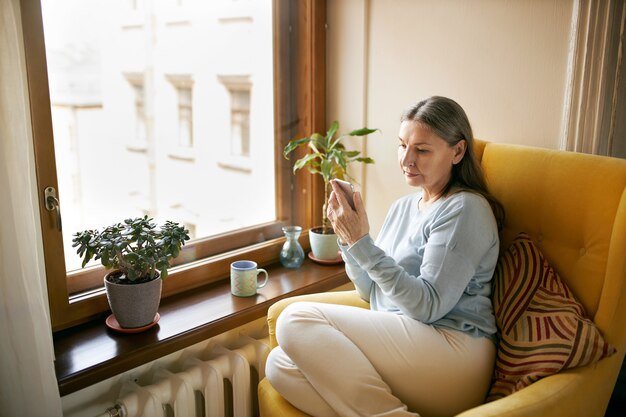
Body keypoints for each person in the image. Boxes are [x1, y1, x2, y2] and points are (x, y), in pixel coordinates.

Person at [265, 96, 505, 417]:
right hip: (406, 343)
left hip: (455, 352)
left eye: (422, 150)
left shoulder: (465, 208)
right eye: (402, 145)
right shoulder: (403, 207)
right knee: (279, 365)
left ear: (458, 152)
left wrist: (363, 242)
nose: (407, 159)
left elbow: (427, 306)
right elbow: (371, 293)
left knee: (295, 319)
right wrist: (349, 239)